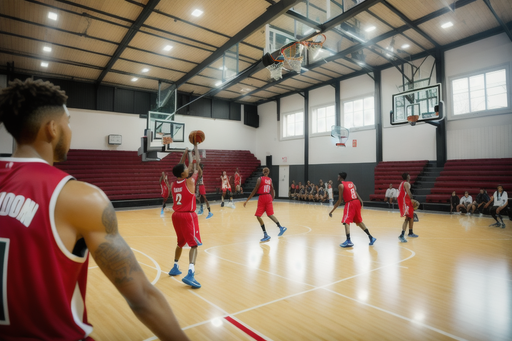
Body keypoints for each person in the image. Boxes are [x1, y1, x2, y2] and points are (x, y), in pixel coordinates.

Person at [0, 78, 188, 340]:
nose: (70, 130)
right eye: (69, 122)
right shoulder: (80, 198)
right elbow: (142, 297)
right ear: (52, 128)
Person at [168, 145, 203, 288]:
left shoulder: (173, 183)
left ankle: (175, 266)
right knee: (194, 245)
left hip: (176, 216)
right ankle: (190, 273)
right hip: (188, 216)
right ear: (183, 174)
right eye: (185, 170)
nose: (187, 170)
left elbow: (180, 168)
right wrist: (195, 147)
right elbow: (197, 167)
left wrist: (185, 153)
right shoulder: (190, 181)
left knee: (180, 242)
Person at [328, 172, 376, 248]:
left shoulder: (341, 185)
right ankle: (371, 237)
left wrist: (331, 211)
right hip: (356, 202)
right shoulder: (351, 183)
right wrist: (361, 201)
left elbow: (340, 200)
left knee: (346, 220)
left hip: (350, 203)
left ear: (340, 177)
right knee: (359, 221)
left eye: (338, 176)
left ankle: (348, 240)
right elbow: (355, 193)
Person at [243, 167, 287, 242]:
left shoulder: (260, 179)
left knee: (258, 216)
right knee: (270, 214)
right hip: (269, 197)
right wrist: (272, 199)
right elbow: (272, 190)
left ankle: (265, 234)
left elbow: (255, 190)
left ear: (263, 172)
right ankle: (280, 227)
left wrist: (247, 199)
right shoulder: (270, 180)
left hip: (262, 197)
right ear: (268, 172)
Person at [397, 172, 418, 242]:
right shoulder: (406, 183)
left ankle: (410, 232)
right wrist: (412, 199)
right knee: (407, 218)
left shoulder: (402, 183)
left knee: (411, 217)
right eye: (409, 175)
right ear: (407, 177)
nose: (410, 176)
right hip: (406, 202)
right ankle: (402, 235)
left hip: (405, 201)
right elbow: (408, 193)